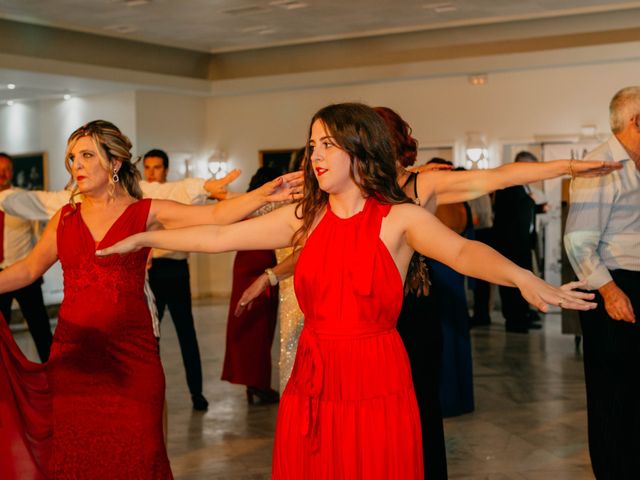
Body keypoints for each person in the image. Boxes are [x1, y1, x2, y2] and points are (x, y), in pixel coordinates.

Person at [99, 103, 597, 479]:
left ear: (360, 149)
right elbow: (217, 236)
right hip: (314, 380)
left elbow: (464, 253)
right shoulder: (306, 217)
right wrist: (145, 237)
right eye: (312, 145)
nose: (314, 155)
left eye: (327, 145)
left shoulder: (398, 217)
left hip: (375, 376)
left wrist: (526, 277)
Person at [0, 120, 301, 479]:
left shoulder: (144, 212)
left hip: (132, 359)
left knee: (140, 455)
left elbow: (216, 218)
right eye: (71, 158)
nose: (76, 165)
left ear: (113, 163)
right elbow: (26, 271)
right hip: (75, 361)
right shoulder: (64, 218)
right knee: (80, 457)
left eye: (86, 155)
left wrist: (263, 193)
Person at [564, 85, 640, 480]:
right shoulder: (600, 165)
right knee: (614, 395)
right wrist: (610, 292)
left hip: (634, 283)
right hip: (612, 285)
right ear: (636, 121)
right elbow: (577, 240)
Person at [143, 148, 212, 410]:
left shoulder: (177, 194)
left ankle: (197, 392)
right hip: (152, 272)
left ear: (166, 169)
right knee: (151, 337)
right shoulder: (140, 196)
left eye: (157, 167)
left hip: (177, 270)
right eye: (147, 167)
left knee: (187, 334)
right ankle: (153, 393)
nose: (151, 172)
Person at [222, 166, 281, 404]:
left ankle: (254, 383)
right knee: (260, 329)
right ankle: (258, 384)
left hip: (245, 265)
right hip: (261, 267)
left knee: (248, 327)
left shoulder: (245, 202)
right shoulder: (274, 203)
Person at [0, 153, 52, 362]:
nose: (2, 174)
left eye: (7, 169)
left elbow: (39, 235)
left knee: (40, 329)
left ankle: (54, 375)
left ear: (12, 172)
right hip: (0, 275)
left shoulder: (25, 200)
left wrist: (39, 268)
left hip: (25, 273)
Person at [492, 151, 550, 333]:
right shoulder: (508, 185)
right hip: (510, 246)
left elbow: (523, 209)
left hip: (522, 244)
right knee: (512, 284)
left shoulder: (523, 187)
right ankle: (514, 320)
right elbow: (510, 213)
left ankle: (523, 315)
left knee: (525, 281)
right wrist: (531, 202)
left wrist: (537, 207)